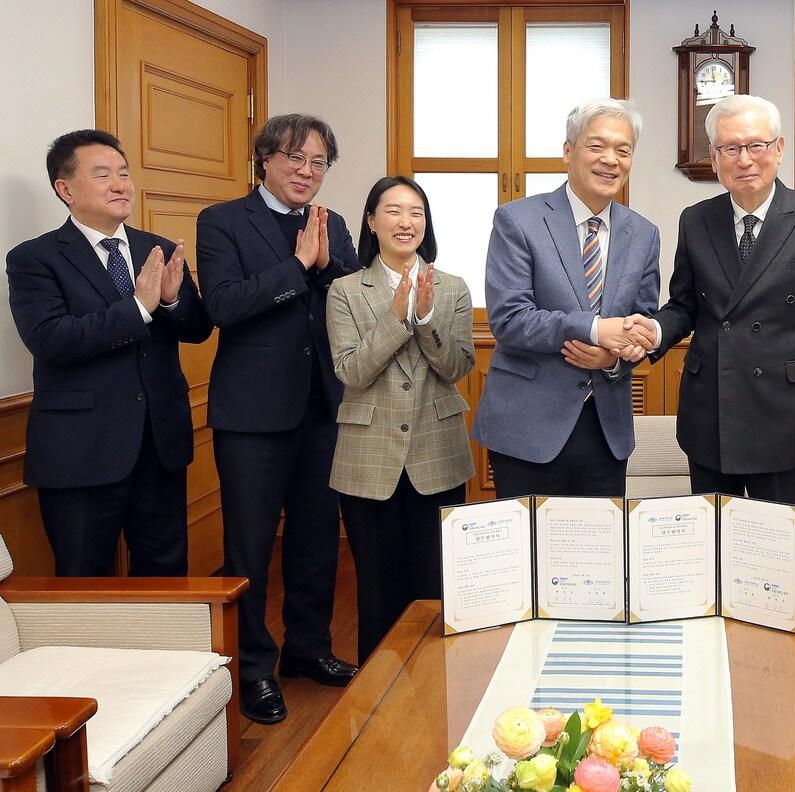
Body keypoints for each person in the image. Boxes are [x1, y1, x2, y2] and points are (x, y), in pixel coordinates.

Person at [196, 114, 359, 724]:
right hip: (253, 415)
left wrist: (326, 265)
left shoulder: (332, 224)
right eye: (294, 158)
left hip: (323, 406)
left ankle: (307, 649)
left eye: (318, 162)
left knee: (317, 538)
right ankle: (253, 669)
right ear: (264, 159)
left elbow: (347, 296)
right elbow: (223, 305)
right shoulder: (223, 221)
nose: (306, 171)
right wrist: (297, 268)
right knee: (251, 545)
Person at [6, 129, 211, 576]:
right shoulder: (33, 259)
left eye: (123, 173)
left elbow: (197, 330)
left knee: (165, 573)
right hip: (81, 451)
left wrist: (174, 301)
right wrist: (139, 308)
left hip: (159, 446)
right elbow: (51, 340)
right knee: (85, 579)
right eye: (103, 175)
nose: (121, 184)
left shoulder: (152, 247)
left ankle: (162, 650)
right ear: (65, 189)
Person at [647, 94, 795, 508]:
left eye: (755, 145)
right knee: (711, 548)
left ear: (778, 149)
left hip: (788, 417)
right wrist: (653, 330)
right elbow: (684, 306)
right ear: (713, 157)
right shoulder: (695, 220)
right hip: (712, 414)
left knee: (774, 555)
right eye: (731, 148)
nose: (744, 159)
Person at [472, 99, 660, 498]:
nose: (611, 160)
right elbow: (508, 319)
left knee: (597, 555)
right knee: (528, 555)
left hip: (606, 429)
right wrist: (594, 329)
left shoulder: (643, 233)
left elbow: (643, 321)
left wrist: (614, 356)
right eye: (597, 146)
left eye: (623, 150)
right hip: (527, 427)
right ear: (568, 151)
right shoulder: (517, 220)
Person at [328, 176, 475, 662]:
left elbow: (456, 367)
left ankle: (438, 690)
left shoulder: (451, 288)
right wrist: (396, 318)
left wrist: (428, 319)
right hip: (370, 458)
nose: (405, 221)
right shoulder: (345, 290)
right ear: (371, 221)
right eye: (392, 211)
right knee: (377, 588)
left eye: (415, 211)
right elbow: (351, 369)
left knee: (435, 586)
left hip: (438, 450)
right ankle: (377, 701)